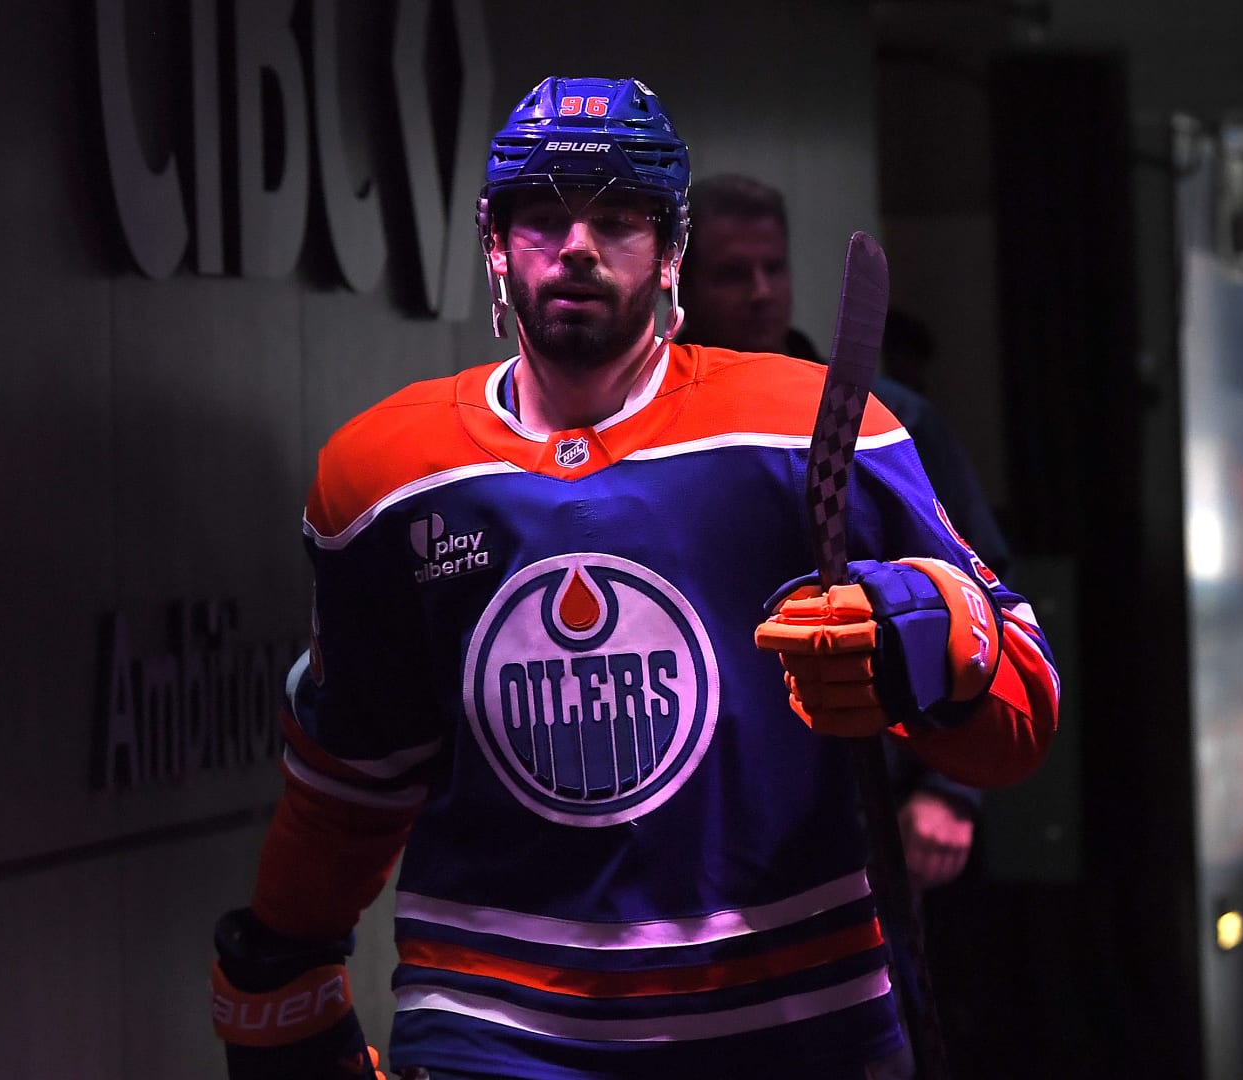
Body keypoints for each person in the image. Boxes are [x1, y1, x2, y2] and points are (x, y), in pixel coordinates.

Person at [208, 75, 1060, 1080]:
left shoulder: (814, 428)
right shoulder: (384, 475)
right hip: (498, 1040)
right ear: (495, 244)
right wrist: (281, 957)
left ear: (669, 251)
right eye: (542, 218)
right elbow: (355, 772)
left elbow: (1023, 699)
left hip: (793, 1028)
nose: (577, 247)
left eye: (617, 218)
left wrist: (922, 637)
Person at [676, 174, 1020, 893]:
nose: (761, 292)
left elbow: (980, 602)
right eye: (732, 274)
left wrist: (950, 792)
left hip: (861, 798)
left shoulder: (877, 423)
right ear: (680, 284)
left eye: (774, 268)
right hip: (699, 808)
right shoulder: (647, 436)